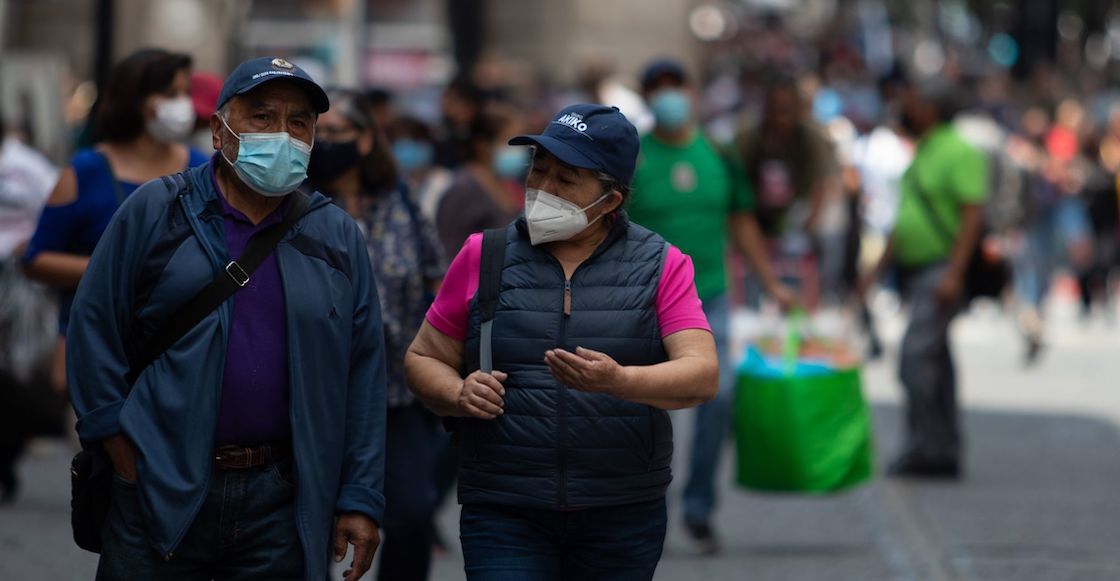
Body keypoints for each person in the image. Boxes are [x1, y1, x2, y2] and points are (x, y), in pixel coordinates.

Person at [67, 57, 387, 581]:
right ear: (219, 130)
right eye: (262, 116)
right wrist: (119, 447)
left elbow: (364, 372)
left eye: (299, 122)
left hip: (282, 500)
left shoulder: (335, 234)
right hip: (158, 483)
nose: (282, 134)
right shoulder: (157, 211)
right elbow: (94, 327)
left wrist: (360, 496)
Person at [405, 103, 719, 580]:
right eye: (539, 169)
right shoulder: (484, 254)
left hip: (621, 511)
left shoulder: (662, 264)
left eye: (566, 179)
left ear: (610, 201)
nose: (543, 188)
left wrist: (619, 381)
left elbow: (702, 374)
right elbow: (423, 357)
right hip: (504, 508)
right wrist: (457, 391)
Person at [627, 58, 794, 555]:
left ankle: (698, 509)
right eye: (657, 89)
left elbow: (741, 222)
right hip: (642, 300)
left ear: (692, 93)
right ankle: (644, 507)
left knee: (717, 398)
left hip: (709, 298)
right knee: (642, 404)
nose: (669, 97)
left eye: (675, 87)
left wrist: (772, 283)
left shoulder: (719, 154)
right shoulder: (633, 157)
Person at [307, 88, 445, 581]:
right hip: (317, 395)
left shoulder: (399, 201)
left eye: (337, 132)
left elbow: (436, 278)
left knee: (413, 511)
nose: (326, 142)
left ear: (365, 140)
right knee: (312, 520)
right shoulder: (294, 203)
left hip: (395, 391)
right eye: (318, 133)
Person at [22, 49, 209, 396]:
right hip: (97, 358)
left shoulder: (202, 170)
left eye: (185, 93)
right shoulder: (86, 171)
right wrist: (114, 270)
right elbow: (36, 259)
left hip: (182, 362)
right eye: (170, 94)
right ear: (135, 100)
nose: (182, 105)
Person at [861, 80, 988, 479]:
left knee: (915, 357)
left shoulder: (958, 151)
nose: (908, 108)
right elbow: (906, 217)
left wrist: (954, 273)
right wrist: (876, 270)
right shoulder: (926, 149)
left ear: (933, 108)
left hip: (940, 269)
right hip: (919, 270)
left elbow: (972, 215)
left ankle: (927, 448)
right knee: (936, 361)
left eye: (915, 102)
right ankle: (942, 448)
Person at [734, 74, 837, 306]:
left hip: (794, 221)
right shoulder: (748, 138)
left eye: (787, 110)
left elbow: (821, 185)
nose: (781, 118)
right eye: (776, 110)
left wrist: (807, 225)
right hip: (753, 220)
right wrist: (751, 231)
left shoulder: (811, 140)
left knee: (795, 282)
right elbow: (735, 186)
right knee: (751, 288)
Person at [434, 109, 522, 258]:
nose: (519, 150)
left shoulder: (510, 184)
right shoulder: (463, 189)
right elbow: (449, 247)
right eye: (510, 142)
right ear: (482, 146)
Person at [391, 115, 454, 223]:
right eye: (399, 143)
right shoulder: (397, 185)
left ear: (424, 146)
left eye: (408, 142)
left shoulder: (446, 182)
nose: (403, 150)